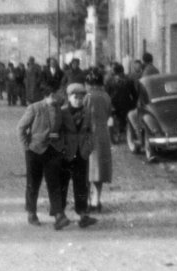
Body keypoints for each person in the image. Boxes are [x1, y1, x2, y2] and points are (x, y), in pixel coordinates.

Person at [17, 86, 67, 229]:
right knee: (33, 183)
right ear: (51, 94)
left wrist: (60, 144)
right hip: (35, 151)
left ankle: (58, 214)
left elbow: (61, 129)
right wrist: (27, 146)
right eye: (60, 93)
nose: (62, 96)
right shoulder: (35, 108)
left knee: (54, 183)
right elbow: (20, 127)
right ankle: (31, 212)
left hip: (53, 151)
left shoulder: (59, 108)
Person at [59, 82, 97, 229]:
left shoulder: (88, 112)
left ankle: (82, 214)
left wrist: (88, 148)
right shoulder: (62, 112)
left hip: (81, 153)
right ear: (69, 97)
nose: (78, 100)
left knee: (81, 184)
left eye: (81, 97)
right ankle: (60, 214)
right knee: (63, 183)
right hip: (66, 153)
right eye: (75, 97)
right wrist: (61, 149)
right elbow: (58, 132)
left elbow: (92, 132)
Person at [83, 68, 113, 212]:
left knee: (87, 168)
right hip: (103, 134)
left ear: (89, 83)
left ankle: (88, 201)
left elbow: (84, 116)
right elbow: (108, 114)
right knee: (100, 169)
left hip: (89, 134)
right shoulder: (106, 96)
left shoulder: (87, 96)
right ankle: (97, 200)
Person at [107, 63, 137, 145]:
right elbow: (134, 94)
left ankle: (117, 135)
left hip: (114, 104)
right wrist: (134, 103)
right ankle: (127, 134)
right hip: (126, 104)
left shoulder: (110, 81)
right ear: (122, 71)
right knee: (126, 120)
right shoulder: (129, 80)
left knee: (114, 120)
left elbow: (107, 93)